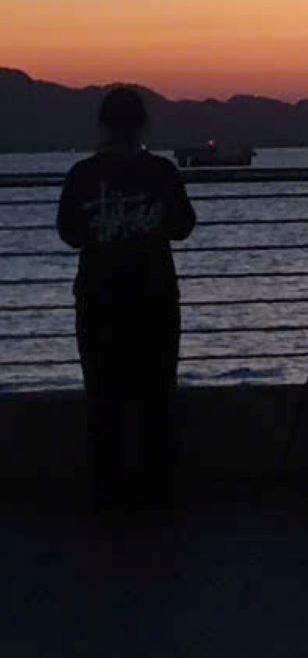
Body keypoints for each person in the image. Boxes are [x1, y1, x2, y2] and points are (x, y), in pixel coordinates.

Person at [57, 88, 196, 514]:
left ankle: (109, 494)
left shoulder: (82, 175)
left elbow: (69, 233)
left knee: (103, 398)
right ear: (142, 126)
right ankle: (159, 491)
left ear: (103, 125)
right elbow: (182, 227)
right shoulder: (162, 172)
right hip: (154, 297)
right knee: (156, 397)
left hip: (99, 298)